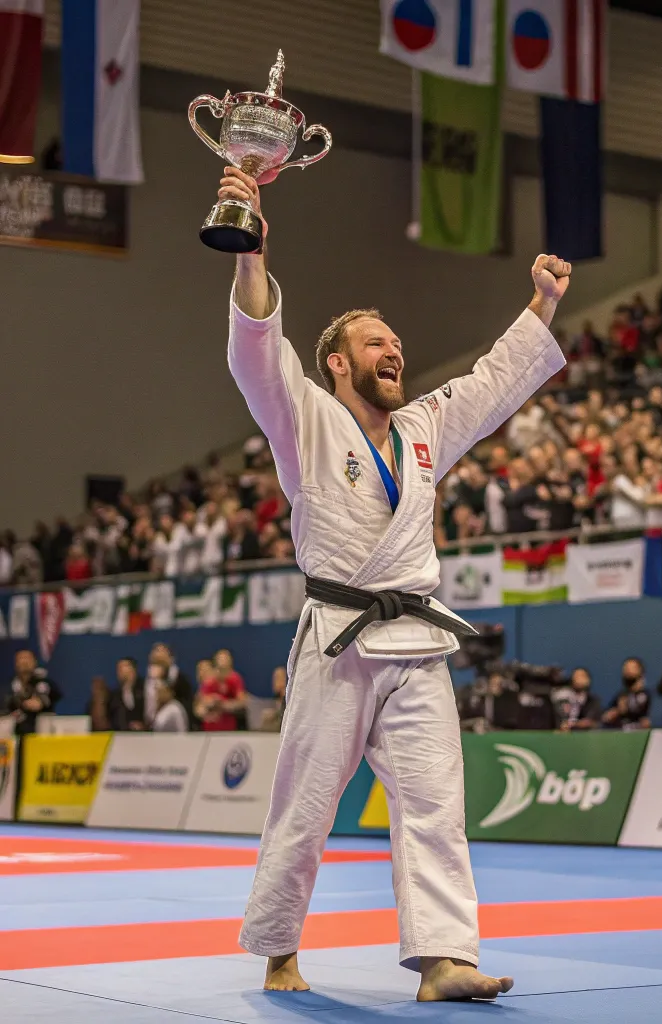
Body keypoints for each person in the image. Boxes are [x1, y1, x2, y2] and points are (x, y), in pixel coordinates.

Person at [219, 164, 569, 998]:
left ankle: (445, 959)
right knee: (305, 808)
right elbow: (256, 356)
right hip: (336, 642)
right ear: (337, 362)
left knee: (435, 803)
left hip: (415, 638)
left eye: (397, 345)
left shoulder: (421, 429)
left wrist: (542, 306)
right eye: (377, 343)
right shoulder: (303, 417)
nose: (394, 352)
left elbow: (490, 384)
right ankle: (279, 951)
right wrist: (249, 256)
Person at [3, 650, 61, 735]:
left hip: (40, 732)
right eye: (21, 658)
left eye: (28, 658)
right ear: (15, 663)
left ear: (35, 662)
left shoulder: (44, 682)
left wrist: (40, 701)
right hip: (16, 732)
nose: (24, 662)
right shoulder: (10, 686)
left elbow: (51, 695)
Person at [194, 651, 247, 732]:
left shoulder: (235, 679)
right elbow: (199, 708)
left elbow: (243, 702)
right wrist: (207, 711)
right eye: (220, 668)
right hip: (209, 730)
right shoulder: (209, 682)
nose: (223, 672)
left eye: (226, 669)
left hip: (230, 730)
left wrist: (224, 704)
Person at [601, 658, 651, 730]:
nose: (628, 671)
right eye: (625, 668)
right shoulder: (621, 695)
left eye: (632, 668)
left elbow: (645, 719)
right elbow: (606, 717)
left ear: (640, 670)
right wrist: (615, 712)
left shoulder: (647, 695)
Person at [108, 657, 146, 732]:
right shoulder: (115, 694)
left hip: (147, 735)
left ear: (133, 670)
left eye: (123, 667)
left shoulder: (146, 688)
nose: (120, 671)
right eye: (118, 668)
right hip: (122, 736)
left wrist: (145, 725)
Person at [259, 666, 288, 732]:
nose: (275, 682)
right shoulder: (274, 700)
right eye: (274, 679)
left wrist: (275, 714)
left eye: (278, 678)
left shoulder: (289, 700)